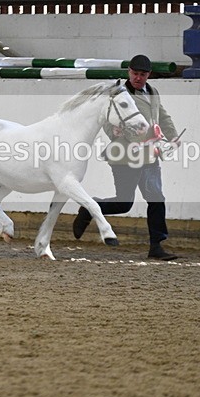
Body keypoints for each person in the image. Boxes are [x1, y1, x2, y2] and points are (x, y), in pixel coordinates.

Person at [73, 54, 181, 260]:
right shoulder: (119, 94)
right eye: (135, 73)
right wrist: (113, 132)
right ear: (128, 72)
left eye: (142, 74)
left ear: (148, 75)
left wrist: (173, 136)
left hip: (150, 155)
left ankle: (156, 245)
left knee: (156, 198)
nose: (138, 78)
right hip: (125, 156)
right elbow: (106, 118)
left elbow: (162, 116)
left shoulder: (152, 92)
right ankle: (89, 208)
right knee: (124, 204)